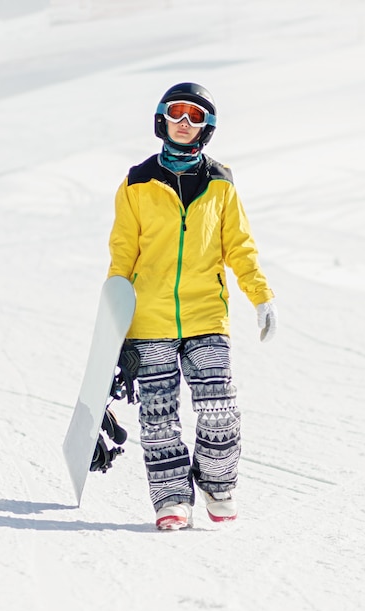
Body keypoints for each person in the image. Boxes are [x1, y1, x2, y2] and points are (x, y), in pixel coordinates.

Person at [107, 82, 278, 530]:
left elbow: (239, 246)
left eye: (195, 116)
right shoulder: (137, 182)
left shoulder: (221, 183)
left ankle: (218, 482)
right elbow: (123, 253)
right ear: (161, 119)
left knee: (219, 404)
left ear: (207, 128)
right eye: (176, 113)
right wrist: (113, 318)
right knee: (158, 413)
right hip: (149, 320)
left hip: (206, 315)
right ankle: (170, 498)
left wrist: (260, 296)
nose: (184, 122)